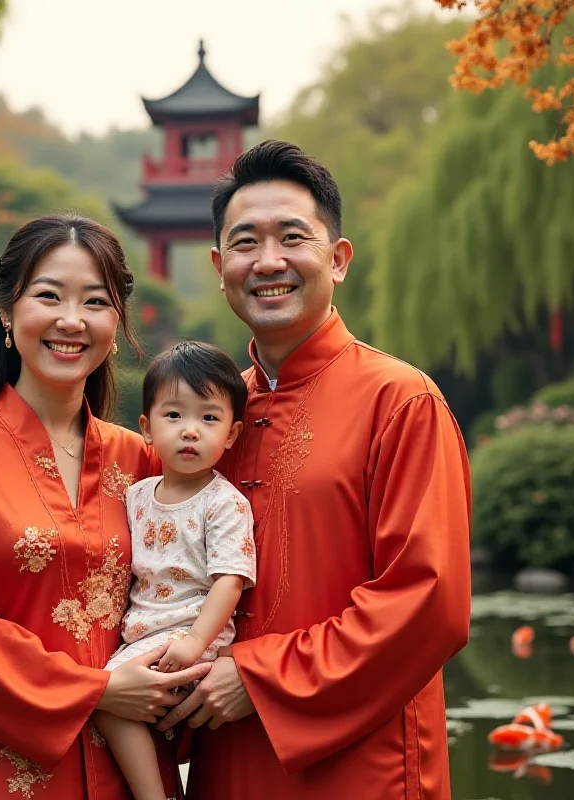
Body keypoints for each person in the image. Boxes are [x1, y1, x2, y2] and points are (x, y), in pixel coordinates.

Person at [157, 141, 472, 800]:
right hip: (228, 758)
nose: (269, 261)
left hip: (366, 766)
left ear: (338, 259)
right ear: (220, 267)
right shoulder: (213, 424)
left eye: (292, 237)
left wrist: (261, 678)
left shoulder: (400, 401)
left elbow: (429, 601)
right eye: (246, 243)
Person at [0, 215, 210, 800]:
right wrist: (96, 691)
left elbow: (192, 584)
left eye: (95, 301)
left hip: (133, 768)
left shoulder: (141, 459)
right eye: (48, 296)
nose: (72, 320)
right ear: (7, 313)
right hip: (6, 771)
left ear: (115, 325)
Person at [93, 342, 256, 800]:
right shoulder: (137, 495)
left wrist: (195, 643)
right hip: (144, 635)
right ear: (146, 428)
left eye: (208, 418)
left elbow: (230, 580)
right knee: (114, 699)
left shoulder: (224, 504)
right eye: (173, 416)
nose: (190, 432)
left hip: (190, 638)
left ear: (231, 433)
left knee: (106, 700)